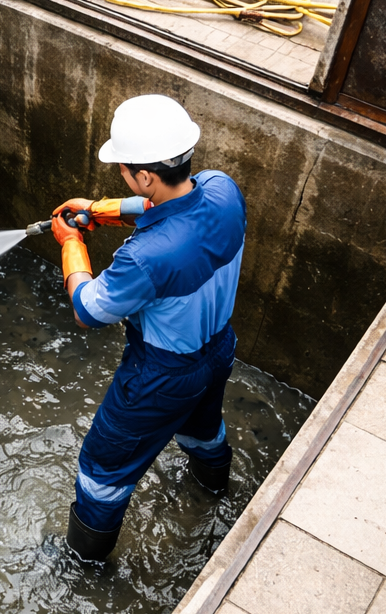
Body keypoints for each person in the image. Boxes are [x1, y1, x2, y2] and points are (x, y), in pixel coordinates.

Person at [50, 94, 246, 561]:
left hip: (159, 376)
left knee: (102, 469)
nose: (122, 173)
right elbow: (177, 205)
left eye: (125, 168)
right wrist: (102, 209)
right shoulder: (224, 190)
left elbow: (88, 309)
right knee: (203, 429)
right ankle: (216, 486)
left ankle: (83, 562)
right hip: (218, 350)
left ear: (145, 176)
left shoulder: (143, 258)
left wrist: (70, 243)